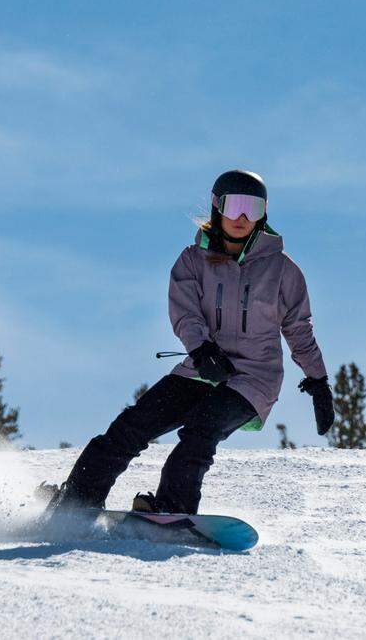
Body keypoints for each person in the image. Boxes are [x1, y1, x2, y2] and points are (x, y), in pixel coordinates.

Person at [45, 170, 335, 517]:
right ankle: (78, 498)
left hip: (253, 379)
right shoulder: (192, 261)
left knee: (201, 430)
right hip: (202, 368)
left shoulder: (283, 272)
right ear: (217, 208)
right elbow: (185, 313)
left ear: (264, 214)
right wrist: (200, 349)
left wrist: (318, 382)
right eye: (235, 206)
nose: (243, 217)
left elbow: (299, 330)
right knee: (132, 425)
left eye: (253, 209)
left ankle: (173, 506)